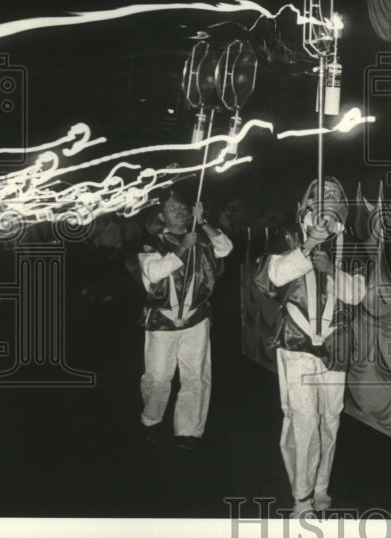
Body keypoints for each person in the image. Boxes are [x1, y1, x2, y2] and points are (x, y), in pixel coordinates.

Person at [254, 177, 365, 518]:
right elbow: (269, 278)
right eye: (322, 193)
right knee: (303, 419)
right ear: (308, 200)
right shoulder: (288, 234)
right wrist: (306, 247)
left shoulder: (352, 242)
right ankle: (301, 498)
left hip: (335, 343)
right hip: (297, 341)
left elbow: (358, 293)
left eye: (335, 194)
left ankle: (320, 488)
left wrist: (332, 270)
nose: (329, 198)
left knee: (330, 420)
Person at [137, 193, 233, 449]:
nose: (179, 210)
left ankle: (188, 430)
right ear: (160, 215)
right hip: (162, 322)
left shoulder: (201, 237)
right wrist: (181, 249)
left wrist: (203, 223)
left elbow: (226, 247)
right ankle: (151, 419)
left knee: (195, 376)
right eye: (171, 207)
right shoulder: (151, 244)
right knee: (157, 379)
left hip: (196, 318)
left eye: (182, 206)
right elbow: (154, 273)